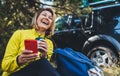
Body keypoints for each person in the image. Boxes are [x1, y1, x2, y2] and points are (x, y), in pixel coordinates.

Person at [1, 8, 60, 76]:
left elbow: (46, 70)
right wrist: (19, 60)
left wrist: (44, 56)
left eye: (50, 18)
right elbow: (4, 66)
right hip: (14, 74)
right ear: (37, 18)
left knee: (43, 62)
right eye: (44, 15)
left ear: (51, 24)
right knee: (42, 63)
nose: (46, 18)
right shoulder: (19, 34)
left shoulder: (49, 43)